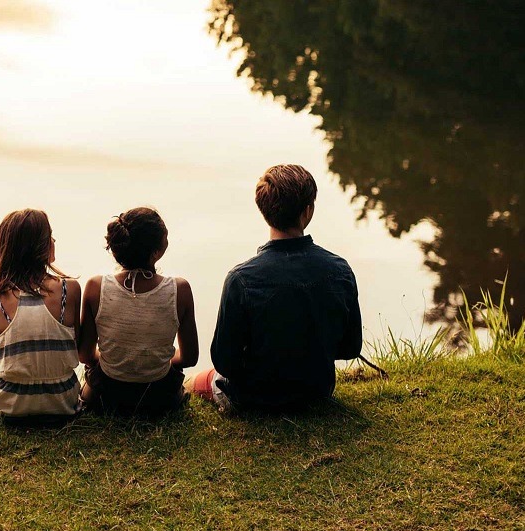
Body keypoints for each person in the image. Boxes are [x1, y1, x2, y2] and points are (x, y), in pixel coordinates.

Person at [188, 164, 363, 414]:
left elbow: (225, 363)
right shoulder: (340, 270)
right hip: (317, 391)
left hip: (253, 399)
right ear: (308, 210)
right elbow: (350, 348)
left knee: (196, 380)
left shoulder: (240, 279)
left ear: (263, 210)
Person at [78, 207, 198, 417]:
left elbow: (85, 355)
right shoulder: (180, 290)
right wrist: (156, 360)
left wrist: (117, 359)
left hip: (106, 397)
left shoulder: (96, 287)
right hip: (160, 398)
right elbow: (189, 358)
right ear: (157, 251)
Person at [0, 209, 82, 420]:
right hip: (62, 401)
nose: (54, 240)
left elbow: (0, 355)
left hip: (11, 405)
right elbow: (76, 348)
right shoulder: (69, 290)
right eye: (49, 236)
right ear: (38, 247)